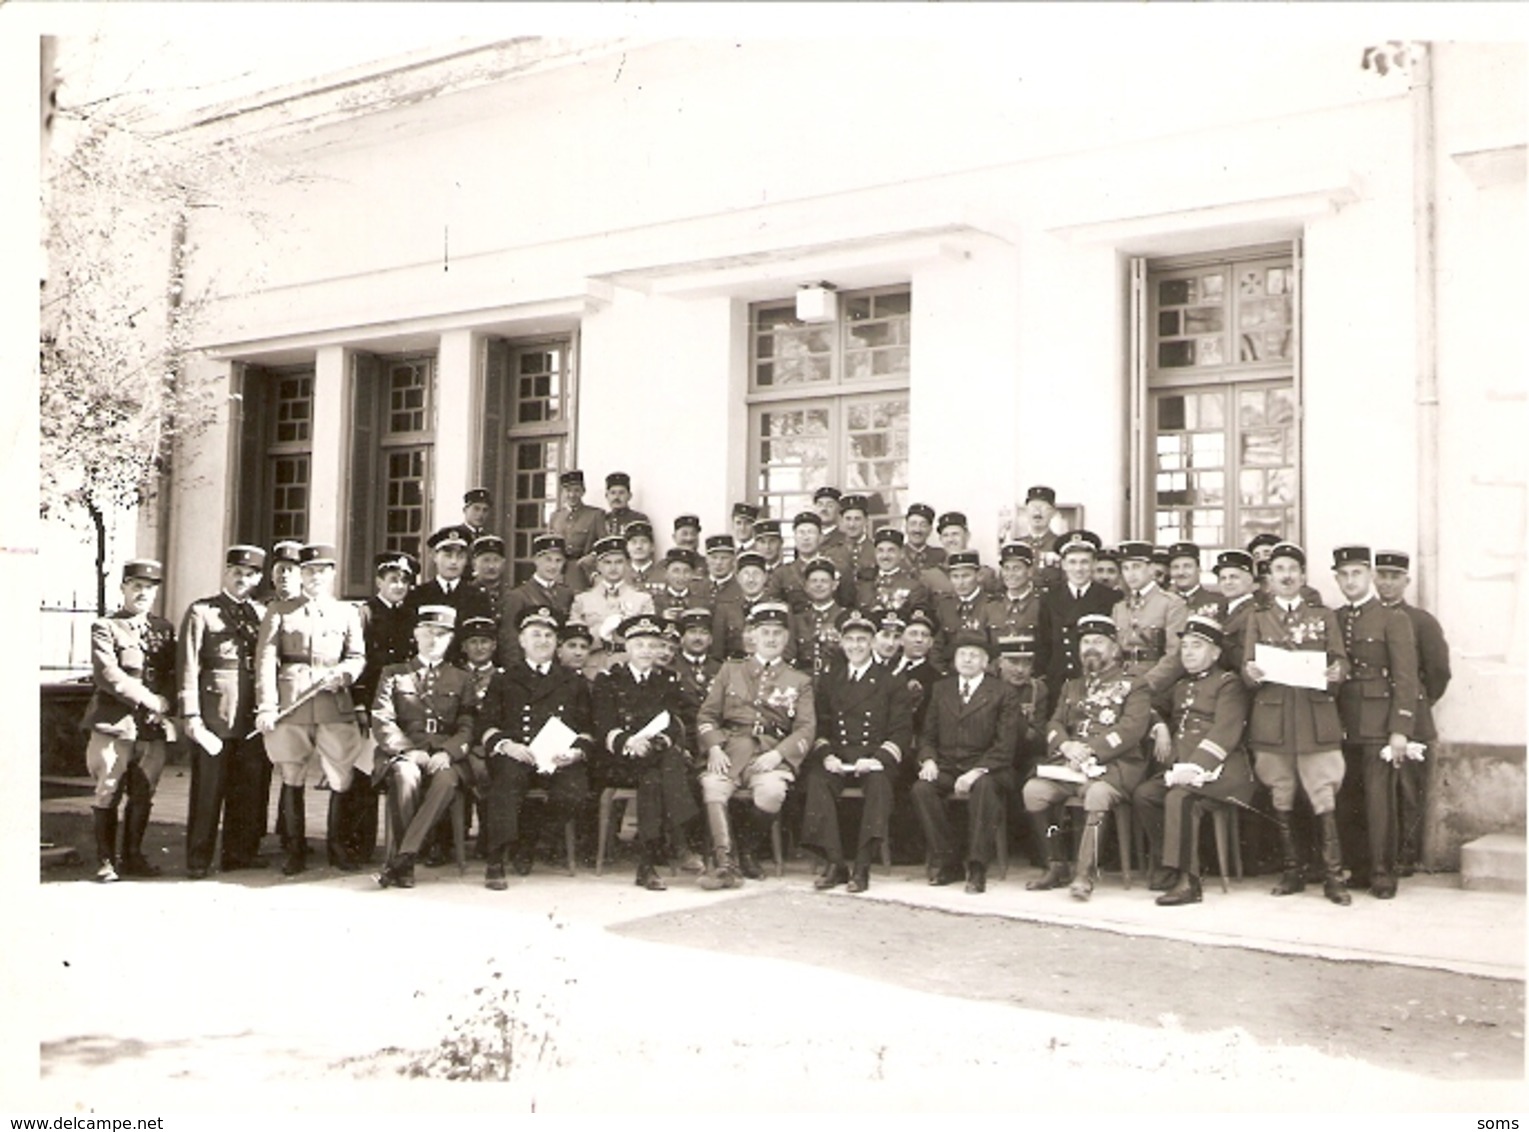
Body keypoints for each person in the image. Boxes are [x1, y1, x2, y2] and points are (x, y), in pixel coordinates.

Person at [1243, 541, 1352, 905]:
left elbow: (1340, 660)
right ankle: (1292, 872)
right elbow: (1247, 669)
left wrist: (1336, 672)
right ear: (1269, 579)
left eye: (1293, 569)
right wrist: (1252, 672)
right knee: (1281, 793)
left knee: (1324, 794)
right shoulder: (1257, 617)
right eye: (1279, 570)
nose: (1286, 576)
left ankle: (1334, 877)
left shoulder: (1323, 615)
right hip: (1273, 719)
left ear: (1303, 576)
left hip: (1314, 715)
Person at [254, 543, 367, 875]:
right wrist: (266, 704)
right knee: (292, 774)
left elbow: (357, 656)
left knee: (341, 775)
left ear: (332, 574)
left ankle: (337, 846)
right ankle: (294, 849)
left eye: (322, 571)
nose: (315, 577)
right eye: (308, 571)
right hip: (292, 703)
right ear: (300, 575)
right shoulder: (280, 611)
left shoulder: (347, 612)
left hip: (334, 703)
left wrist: (345, 674)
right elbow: (265, 661)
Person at [1022, 614, 1152, 901]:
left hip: (1114, 766)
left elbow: (1131, 729)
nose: (1090, 647)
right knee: (1033, 792)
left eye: (1098, 641)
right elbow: (1054, 724)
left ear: (1114, 648)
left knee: (1096, 796)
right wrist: (1067, 746)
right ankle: (1056, 865)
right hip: (1071, 766)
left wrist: (1090, 750)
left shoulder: (1134, 684)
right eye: (1085, 642)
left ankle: (1084, 874)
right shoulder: (1072, 686)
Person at [1131, 615, 1254, 905]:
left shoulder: (1229, 684)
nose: (1187, 652)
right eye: (1184, 646)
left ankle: (1190, 881)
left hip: (1223, 772)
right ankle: (1168, 864)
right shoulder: (1180, 686)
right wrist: (1158, 724)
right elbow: (1147, 705)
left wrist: (1193, 767)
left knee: (1180, 799)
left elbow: (1225, 732)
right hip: (1183, 771)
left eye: (1196, 646)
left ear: (1215, 653)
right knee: (1145, 794)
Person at [694, 602, 816, 887]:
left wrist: (778, 755)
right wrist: (713, 746)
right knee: (712, 786)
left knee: (772, 793)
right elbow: (707, 715)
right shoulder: (730, 670)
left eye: (777, 633)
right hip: (730, 749)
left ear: (786, 638)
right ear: (753, 636)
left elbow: (806, 727)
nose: (771, 638)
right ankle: (725, 864)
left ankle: (747, 850)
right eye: (765, 632)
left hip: (770, 751)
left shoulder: (799, 680)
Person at [477, 606, 596, 887]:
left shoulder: (572, 680)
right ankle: (496, 861)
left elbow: (587, 727)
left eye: (549, 635)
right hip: (517, 754)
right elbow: (486, 725)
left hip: (557, 758)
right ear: (521, 640)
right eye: (536, 634)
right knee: (507, 784)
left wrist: (576, 752)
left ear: (556, 643)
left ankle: (529, 839)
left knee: (575, 794)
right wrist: (507, 745)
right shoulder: (504, 678)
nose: (543, 641)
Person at [799, 610, 912, 893]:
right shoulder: (830, 679)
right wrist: (827, 756)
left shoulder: (891, 680)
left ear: (873, 642)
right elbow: (821, 725)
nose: (855, 646)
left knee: (878, 786)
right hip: (839, 756)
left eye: (862, 640)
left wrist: (877, 760)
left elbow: (901, 731)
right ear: (841, 642)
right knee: (817, 780)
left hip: (874, 758)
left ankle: (862, 866)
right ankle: (835, 863)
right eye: (849, 640)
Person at [1331, 545, 1419, 900]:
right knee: (1348, 797)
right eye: (1344, 575)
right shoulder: (1335, 618)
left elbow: (1406, 677)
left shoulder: (1391, 618)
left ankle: (1384, 871)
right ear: (1336, 579)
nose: (1350, 581)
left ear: (1369, 576)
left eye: (1357, 573)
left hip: (1377, 722)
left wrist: (1400, 728)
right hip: (1340, 722)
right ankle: (1360, 867)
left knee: (1379, 801)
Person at [591, 614, 702, 889]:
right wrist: (629, 742)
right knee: (664, 770)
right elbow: (603, 725)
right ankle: (681, 842)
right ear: (627, 647)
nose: (646, 652)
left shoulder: (668, 680)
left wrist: (659, 742)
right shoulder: (609, 679)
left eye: (653, 645)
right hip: (620, 758)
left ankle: (647, 866)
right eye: (639, 645)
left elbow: (676, 722)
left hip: (656, 755)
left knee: (655, 775)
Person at [371, 606, 478, 889]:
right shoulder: (394, 674)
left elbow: (468, 725)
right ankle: (406, 862)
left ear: (451, 639)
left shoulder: (462, 678)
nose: (434, 639)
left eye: (441, 634)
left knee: (445, 780)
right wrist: (408, 751)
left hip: (445, 755)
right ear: (416, 635)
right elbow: (382, 720)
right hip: (405, 752)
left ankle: (402, 860)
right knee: (406, 776)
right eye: (428, 633)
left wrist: (449, 752)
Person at [83, 559, 176, 882]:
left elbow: (170, 673)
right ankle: (106, 860)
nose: (142, 593)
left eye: (149, 588)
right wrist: (148, 699)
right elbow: (108, 675)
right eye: (136, 586)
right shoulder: (105, 627)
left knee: (144, 791)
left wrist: (164, 702)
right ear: (123, 587)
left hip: (150, 727)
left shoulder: (163, 629)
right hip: (114, 722)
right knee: (107, 789)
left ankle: (133, 856)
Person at [180, 545, 268, 879]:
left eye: (249, 575)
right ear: (226, 574)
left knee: (246, 787)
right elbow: (188, 664)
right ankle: (198, 858)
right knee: (208, 789)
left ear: (258, 579)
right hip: (215, 713)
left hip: (249, 712)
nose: (242, 580)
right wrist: (191, 714)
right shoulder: (203, 611)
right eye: (237, 573)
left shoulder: (261, 614)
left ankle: (238, 854)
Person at [910, 630, 1020, 894]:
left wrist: (975, 772)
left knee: (984, 788)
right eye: (962, 654)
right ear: (954, 660)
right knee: (922, 789)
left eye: (974, 655)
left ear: (985, 662)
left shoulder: (1003, 692)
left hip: (990, 768)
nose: (968, 660)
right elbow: (928, 735)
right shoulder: (941, 689)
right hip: (947, 766)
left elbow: (1005, 746)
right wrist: (928, 761)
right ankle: (948, 860)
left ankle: (977, 865)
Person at [1374, 549, 1452, 875]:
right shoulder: (1367, 616)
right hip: (1376, 718)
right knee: (1379, 791)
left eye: (1395, 577)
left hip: (1413, 720)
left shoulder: (1421, 621)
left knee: (1408, 790)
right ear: (1374, 578)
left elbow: (1438, 672)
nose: (1388, 583)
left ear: (1407, 580)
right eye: (1383, 576)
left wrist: (1419, 704)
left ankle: (1405, 857)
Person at [1035, 529, 1116, 695]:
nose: (1078, 569)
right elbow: (1044, 643)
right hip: (1058, 681)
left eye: (1084, 562)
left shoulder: (1111, 598)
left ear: (1094, 564)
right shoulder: (1049, 597)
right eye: (1072, 562)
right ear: (1063, 565)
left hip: (1097, 680)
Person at [569, 535, 657, 675]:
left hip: (629, 666)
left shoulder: (642, 599)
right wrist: (600, 632)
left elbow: (649, 640)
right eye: (607, 562)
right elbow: (575, 641)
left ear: (627, 564)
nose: (613, 567)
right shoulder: (582, 600)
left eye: (619, 562)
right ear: (598, 566)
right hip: (593, 666)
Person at [1111, 540, 1188, 698]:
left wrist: (1145, 685)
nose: (1130, 574)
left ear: (1152, 569)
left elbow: (1176, 655)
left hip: (1159, 687)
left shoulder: (1172, 604)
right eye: (1125, 568)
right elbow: (1114, 653)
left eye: (1136, 567)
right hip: (1121, 684)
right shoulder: (1119, 608)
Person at [500, 533, 575, 666]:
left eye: (558, 561)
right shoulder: (518, 595)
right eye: (548, 559)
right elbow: (510, 641)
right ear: (536, 560)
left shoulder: (566, 594)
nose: (553, 566)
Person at [408, 527, 494, 639]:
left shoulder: (478, 596)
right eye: (448, 556)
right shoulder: (417, 595)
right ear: (434, 557)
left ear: (466, 560)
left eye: (460, 557)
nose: (454, 562)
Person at [670, 608, 721, 758]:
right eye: (692, 632)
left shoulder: (722, 668)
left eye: (704, 632)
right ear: (682, 637)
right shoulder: (670, 668)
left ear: (711, 639)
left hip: (715, 739)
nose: (698, 638)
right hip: (683, 739)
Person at [933, 551, 997, 669]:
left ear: (978, 576)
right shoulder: (945, 606)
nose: (960, 583)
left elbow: (996, 649)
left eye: (966, 576)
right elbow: (937, 648)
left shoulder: (992, 605)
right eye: (955, 577)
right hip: (950, 675)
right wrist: (943, 672)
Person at [711, 549, 775, 662]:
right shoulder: (725, 609)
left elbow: (788, 653)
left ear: (765, 577)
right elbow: (717, 652)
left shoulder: (777, 608)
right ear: (738, 578)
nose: (751, 579)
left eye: (756, 574)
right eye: (746, 574)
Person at [921, 512, 1000, 598]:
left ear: (967, 536)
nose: (950, 540)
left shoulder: (985, 574)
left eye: (955, 534)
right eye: (945, 535)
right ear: (940, 539)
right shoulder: (931, 576)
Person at [789, 557, 845, 678]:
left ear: (834, 585)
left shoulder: (844, 617)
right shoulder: (797, 619)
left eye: (824, 581)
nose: (818, 585)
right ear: (806, 586)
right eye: (813, 581)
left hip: (836, 680)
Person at [856, 527, 929, 618]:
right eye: (880, 551)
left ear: (901, 553)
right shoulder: (864, 584)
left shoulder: (914, 586)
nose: (885, 556)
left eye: (891, 550)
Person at [1212, 549, 1259, 676]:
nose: (1228, 582)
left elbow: (1247, 658)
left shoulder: (1255, 612)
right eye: (1223, 578)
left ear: (1250, 579)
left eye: (1234, 577)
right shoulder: (1220, 611)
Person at [769, 512, 826, 611]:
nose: (806, 538)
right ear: (794, 537)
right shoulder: (782, 573)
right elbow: (775, 606)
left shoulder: (835, 569)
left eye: (811, 532)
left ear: (821, 537)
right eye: (801, 532)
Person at [987, 541, 1041, 641]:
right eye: (1006, 568)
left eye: (1016, 568)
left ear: (1029, 571)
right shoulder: (991, 606)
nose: (1010, 574)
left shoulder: (1041, 605)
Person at [1016, 485, 1065, 593]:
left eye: (1043, 507)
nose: (1038, 513)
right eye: (1033, 507)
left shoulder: (1061, 545)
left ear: (1053, 512)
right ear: (1026, 511)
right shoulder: (1017, 545)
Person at [549, 470, 605, 563]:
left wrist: (591, 557)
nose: (572, 495)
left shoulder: (595, 515)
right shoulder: (555, 517)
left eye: (577, 490)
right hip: (559, 569)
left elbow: (603, 545)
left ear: (583, 492)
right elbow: (549, 547)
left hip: (584, 568)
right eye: (568, 491)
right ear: (562, 493)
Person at [834, 494, 876, 603]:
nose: (852, 524)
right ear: (842, 521)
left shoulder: (877, 551)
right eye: (848, 519)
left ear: (866, 521)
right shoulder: (831, 553)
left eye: (857, 519)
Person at [1167, 541, 1225, 619]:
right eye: (1175, 567)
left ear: (1199, 569)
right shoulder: (1163, 602)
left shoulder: (1219, 602)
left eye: (1187, 566)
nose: (1181, 572)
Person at [652, 548, 704, 621]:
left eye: (686, 571)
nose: (681, 576)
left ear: (693, 574)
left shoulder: (700, 601)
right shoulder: (655, 601)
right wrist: (661, 618)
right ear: (666, 573)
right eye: (676, 571)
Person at [468, 535, 509, 624]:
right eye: (486, 560)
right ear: (474, 564)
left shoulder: (511, 594)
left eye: (496, 560)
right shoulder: (465, 593)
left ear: (503, 564)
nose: (491, 566)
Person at [600, 471, 649, 538]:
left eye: (621, 493)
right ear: (606, 496)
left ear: (629, 496)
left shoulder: (639, 519)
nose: (616, 497)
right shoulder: (602, 520)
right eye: (613, 493)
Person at [902, 502, 945, 574]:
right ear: (906, 527)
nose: (917, 530)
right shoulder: (897, 555)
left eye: (923, 525)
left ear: (930, 529)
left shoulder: (940, 556)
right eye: (913, 524)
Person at [699, 534, 739, 606]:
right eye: (714, 558)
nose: (718, 563)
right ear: (706, 559)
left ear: (733, 560)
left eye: (724, 558)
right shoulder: (697, 588)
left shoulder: (740, 588)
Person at [814, 487, 845, 552]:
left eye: (830, 505)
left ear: (839, 509)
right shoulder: (807, 538)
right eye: (820, 505)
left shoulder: (845, 540)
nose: (824, 509)